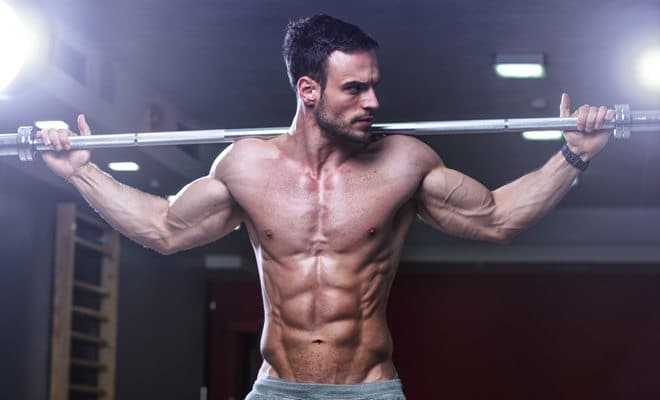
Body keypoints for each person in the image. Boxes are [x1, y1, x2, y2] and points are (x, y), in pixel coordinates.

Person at [37, 14, 615, 400]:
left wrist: (574, 155)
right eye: (355, 89)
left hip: (369, 389)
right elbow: (164, 228)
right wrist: (82, 171)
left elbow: (497, 219)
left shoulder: (403, 164)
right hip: (276, 389)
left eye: (374, 85)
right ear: (308, 91)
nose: (374, 101)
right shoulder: (245, 167)